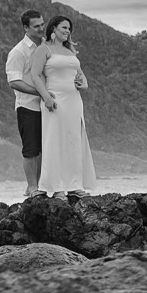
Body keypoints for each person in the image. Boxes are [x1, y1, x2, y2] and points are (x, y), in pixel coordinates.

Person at [27, 14, 97, 194]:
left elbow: (80, 74)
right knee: (54, 142)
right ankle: (56, 188)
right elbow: (35, 75)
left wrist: (85, 84)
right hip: (55, 100)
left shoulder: (71, 52)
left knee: (73, 142)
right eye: (64, 27)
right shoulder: (44, 49)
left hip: (74, 101)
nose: (68, 31)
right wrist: (46, 97)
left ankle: (74, 185)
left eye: (69, 28)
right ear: (54, 29)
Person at [5, 9, 47, 197]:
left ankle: (38, 186)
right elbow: (14, 81)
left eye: (42, 24)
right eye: (36, 26)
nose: (41, 28)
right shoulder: (18, 51)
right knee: (31, 149)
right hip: (28, 106)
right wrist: (38, 92)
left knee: (44, 149)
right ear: (25, 28)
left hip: (47, 106)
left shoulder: (47, 46)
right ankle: (31, 187)